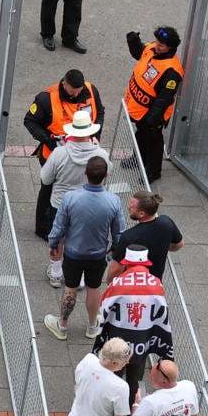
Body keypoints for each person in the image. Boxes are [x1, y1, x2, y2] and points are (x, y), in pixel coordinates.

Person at [44, 155, 127, 338]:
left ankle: (63, 325)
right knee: (94, 287)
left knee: (70, 287)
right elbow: (119, 233)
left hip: (73, 253)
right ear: (106, 175)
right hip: (97, 255)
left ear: (85, 174)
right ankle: (91, 326)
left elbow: (59, 226)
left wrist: (53, 243)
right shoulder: (113, 201)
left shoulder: (70, 198)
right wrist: (114, 252)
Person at [26, 72, 102, 242]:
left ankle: (70, 221)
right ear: (64, 83)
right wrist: (49, 141)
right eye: (72, 90)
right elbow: (30, 121)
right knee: (48, 188)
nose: (75, 94)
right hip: (54, 154)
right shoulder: (46, 98)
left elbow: (100, 113)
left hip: (84, 151)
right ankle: (43, 227)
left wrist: (96, 136)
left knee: (79, 187)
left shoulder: (91, 91)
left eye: (78, 90)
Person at [98, 247, 172, 401]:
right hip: (141, 342)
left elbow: (103, 307)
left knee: (115, 375)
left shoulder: (117, 283)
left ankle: (114, 408)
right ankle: (129, 409)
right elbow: (161, 314)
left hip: (118, 342)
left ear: (126, 264)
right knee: (133, 380)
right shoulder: (156, 284)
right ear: (146, 264)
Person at [123, 27, 183, 182]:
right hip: (141, 112)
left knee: (154, 143)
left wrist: (152, 120)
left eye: (161, 45)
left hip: (153, 116)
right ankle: (138, 159)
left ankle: (153, 171)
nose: (157, 46)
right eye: (157, 42)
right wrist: (133, 42)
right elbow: (140, 54)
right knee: (141, 136)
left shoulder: (172, 72)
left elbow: (164, 100)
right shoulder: (152, 49)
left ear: (170, 48)